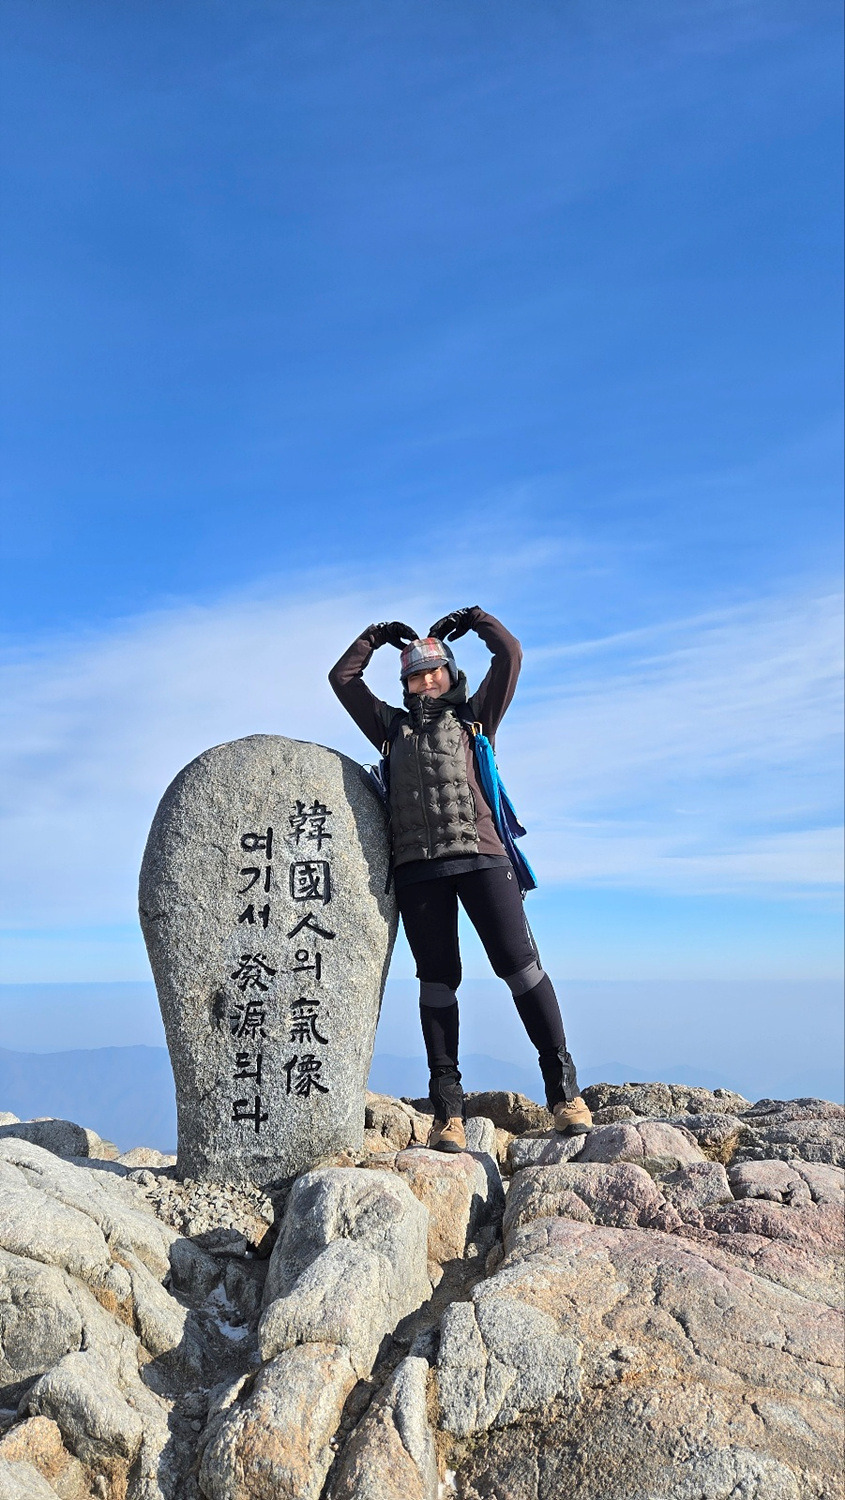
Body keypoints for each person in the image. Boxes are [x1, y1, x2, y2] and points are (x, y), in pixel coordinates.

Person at [328, 606, 592, 1152]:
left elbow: (509, 653)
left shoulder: (475, 716)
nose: (426, 681)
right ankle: (448, 1111)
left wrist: (475, 620)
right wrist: (374, 636)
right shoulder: (389, 728)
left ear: (450, 673)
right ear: (405, 685)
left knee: (521, 970)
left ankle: (564, 1093)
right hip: (418, 871)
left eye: (434, 671)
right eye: (415, 675)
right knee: (437, 983)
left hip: (482, 858)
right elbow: (343, 678)